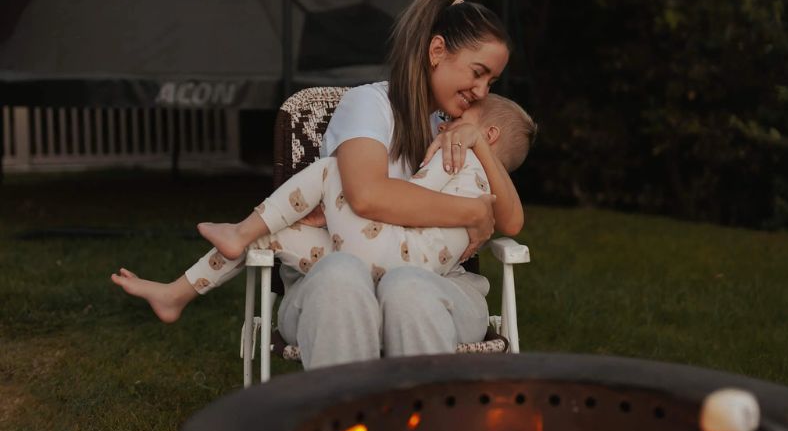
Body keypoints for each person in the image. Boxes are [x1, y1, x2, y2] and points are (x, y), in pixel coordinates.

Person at [117, 0, 523, 368]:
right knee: (342, 275)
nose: (483, 91)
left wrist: (480, 145)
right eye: (478, 72)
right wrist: (470, 212)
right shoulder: (371, 105)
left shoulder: (457, 126)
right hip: (333, 274)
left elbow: (509, 222)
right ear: (437, 51)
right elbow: (366, 196)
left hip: (438, 287)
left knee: (408, 287)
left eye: (492, 81)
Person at [111, 93, 535, 320]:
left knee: (335, 170)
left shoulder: (456, 155)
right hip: (390, 264)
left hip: (397, 262)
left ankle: (240, 230)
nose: (446, 122)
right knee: (272, 233)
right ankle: (177, 294)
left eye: (463, 117)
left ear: (489, 134)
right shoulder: (487, 187)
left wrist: (337, 204)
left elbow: (409, 201)